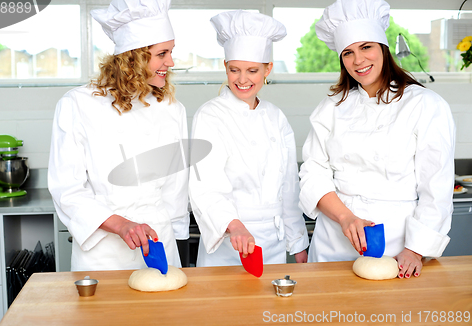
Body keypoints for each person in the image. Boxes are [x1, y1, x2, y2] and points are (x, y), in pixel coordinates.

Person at [299, 0, 455, 278]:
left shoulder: (425, 104)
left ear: (383, 48)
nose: (358, 60)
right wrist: (346, 217)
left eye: (366, 47)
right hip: (333, 240)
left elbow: (437, 185)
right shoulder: (331, 107)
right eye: (348, 52)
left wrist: (416, 249)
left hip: (397, 247)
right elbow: (313, 173)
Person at [48, 0, 189, 271]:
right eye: (162, 54)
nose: (170, 62)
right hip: (102, 253)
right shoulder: (78, 104)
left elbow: (176, 191)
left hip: (158, 244)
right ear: (134, 57)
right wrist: (122, 224)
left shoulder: (172, 109)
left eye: (170, 52)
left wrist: (177, 242)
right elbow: (67, 189)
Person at [189, 10, 309, 267]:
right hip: (228, 241)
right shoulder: (210, 116)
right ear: (225, 67)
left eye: (252, 70)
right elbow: (205, 186)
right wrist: (234, 226)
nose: (242, 79)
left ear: (268, 69)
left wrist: (298, 242)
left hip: (274, 244)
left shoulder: (276, 117)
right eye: (235, 70)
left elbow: (288, 187)